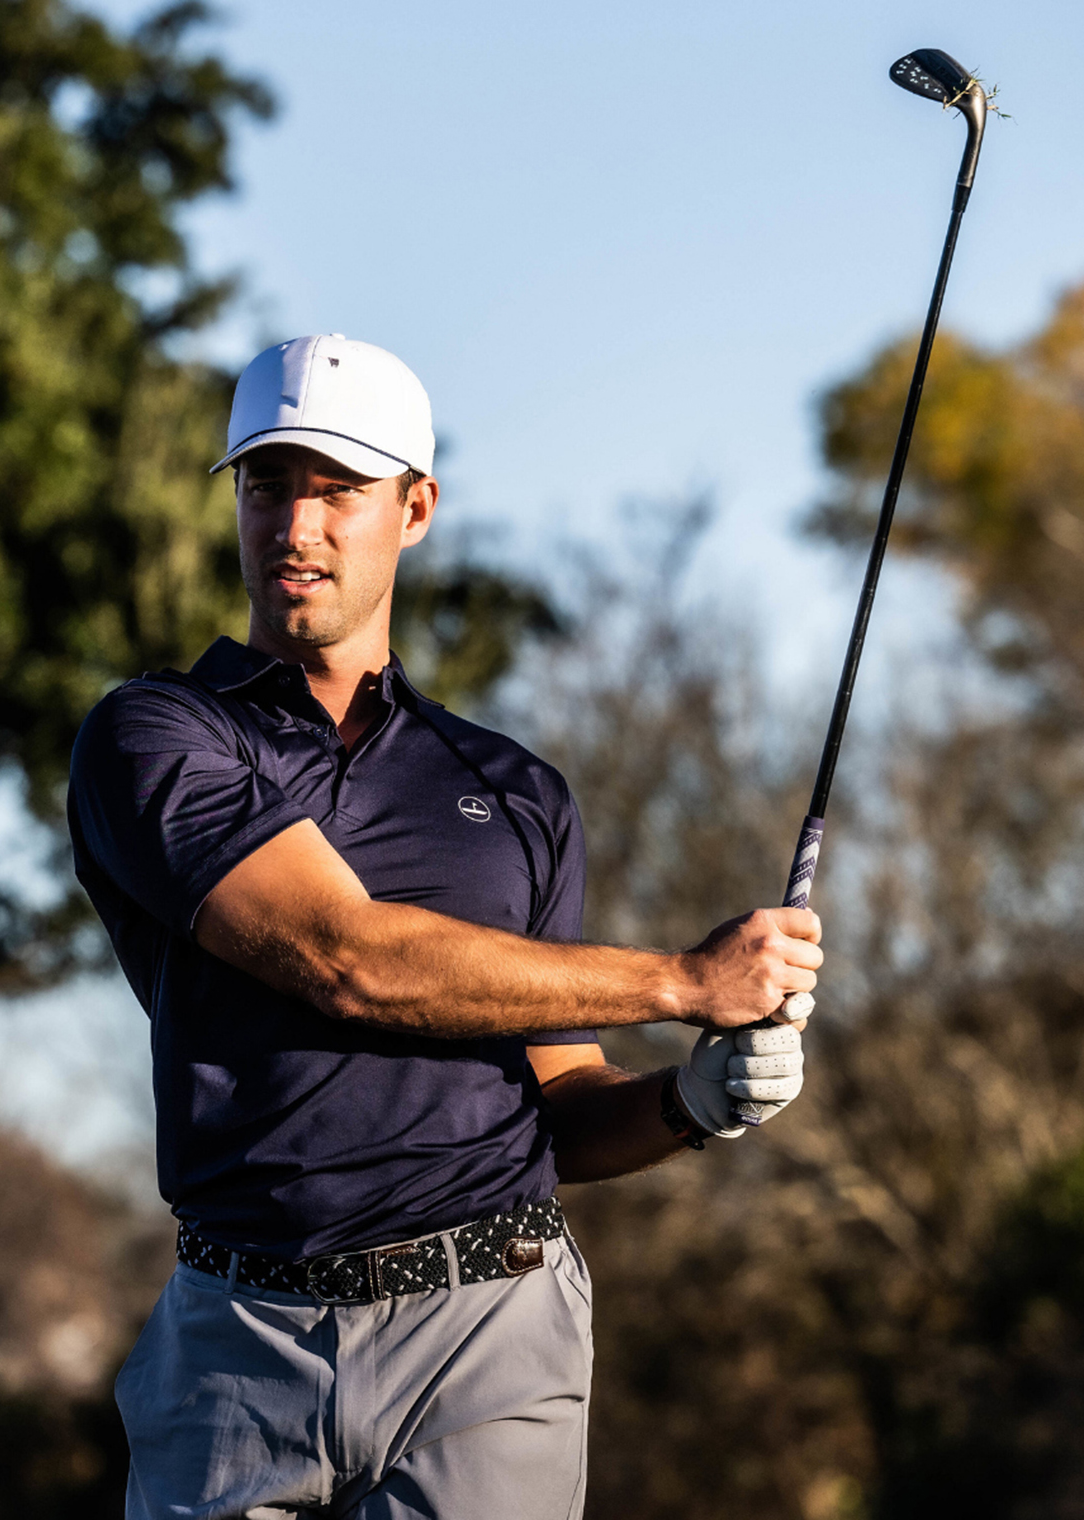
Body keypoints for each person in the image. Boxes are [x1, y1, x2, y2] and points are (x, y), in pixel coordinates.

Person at [68, 334, 821, 1520]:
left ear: (414, 508)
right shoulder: (158, 733)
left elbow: (559, 1104)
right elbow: (344, 957)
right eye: (267, 484)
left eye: (337, 489)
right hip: (235, 1346)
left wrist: (689, 1099)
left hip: (488, 1330)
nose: (294, 525)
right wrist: (683, 980)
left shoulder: (515, 791)